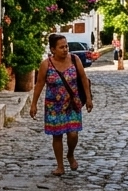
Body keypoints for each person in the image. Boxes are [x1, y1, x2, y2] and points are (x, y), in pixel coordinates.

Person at [29, 33, 93, 177]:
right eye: (61, 47)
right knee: (57, 136)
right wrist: (33, 104)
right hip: (54, 106)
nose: (65, 49)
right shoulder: (46, 64)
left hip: (72, 104)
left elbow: (83, 79)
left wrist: (88, 99)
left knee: (73, 134)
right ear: (53, 49)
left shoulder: (75, 60)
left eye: (66, 46)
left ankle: (70, 154)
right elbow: (39, 84)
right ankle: (60, 166)